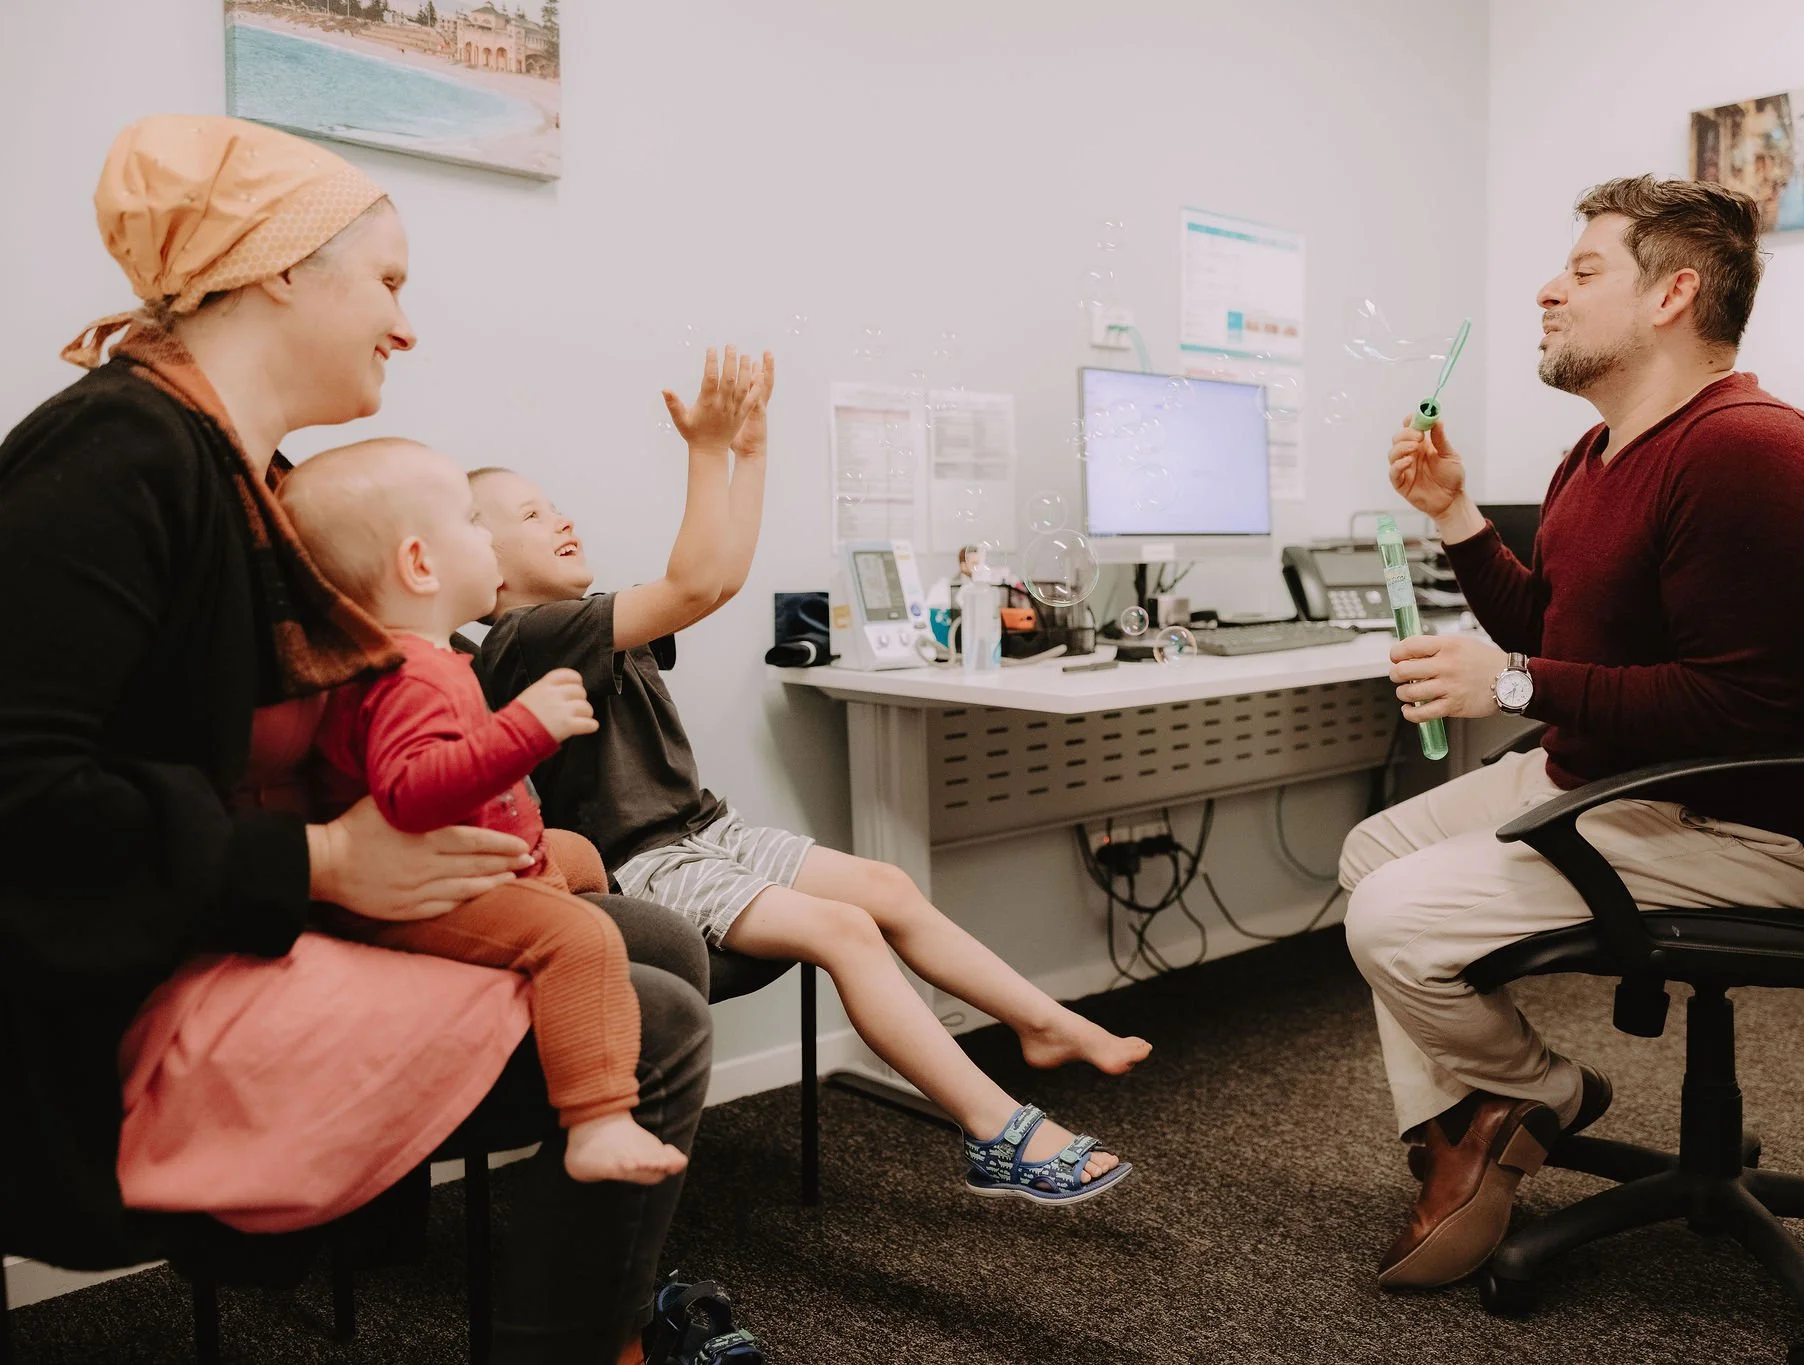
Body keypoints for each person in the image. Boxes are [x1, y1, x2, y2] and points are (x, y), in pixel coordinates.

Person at [0, 115, 714, 1365]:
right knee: (653, 1016)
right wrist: (324, 865)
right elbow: (21, 790)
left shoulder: (240, 466)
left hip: (231, 902)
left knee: (652, 938)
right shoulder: (118, 453)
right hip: (118, 980)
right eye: (387, 280)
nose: (405, 322)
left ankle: (602, 1305)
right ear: (280, 268)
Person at [1341, 174, 1804, 1289]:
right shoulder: (1595, 455)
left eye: (1582, 271)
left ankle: (1523, 1100)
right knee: (1371, 856)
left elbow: (1740, 708)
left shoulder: (1745, 453)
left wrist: (1508, 685)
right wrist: (1453, 518)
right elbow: (1553, 628)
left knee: (1394, 915)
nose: (1546, 290)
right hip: (1629, 780)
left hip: (1750, 825)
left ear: (1670, 295)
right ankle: (1483, 1117)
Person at [468, 349, 1150, 1205]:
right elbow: (687, 585)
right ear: (480, 564)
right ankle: (995, 1131)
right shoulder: (523, 637)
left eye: (555, 503)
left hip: (704, 829)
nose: (560, 517)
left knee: (886, 886)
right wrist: (705, 448)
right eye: (531, 513)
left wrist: (748, 453)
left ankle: (1039, 1023)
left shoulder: (583, 619)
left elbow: (712, 582)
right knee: (846, 930)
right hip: (643, 863)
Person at [280, 439, 694, 1186]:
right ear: (420, 565)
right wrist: (523, 729)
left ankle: (559, 937)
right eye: (475, 523)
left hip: (494, 853)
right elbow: (411, 791)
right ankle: (596, 1118)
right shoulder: (408, 675)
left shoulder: (432, 658)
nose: (488, 538)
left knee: (578, 855)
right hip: (429, 896)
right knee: (580, 936)